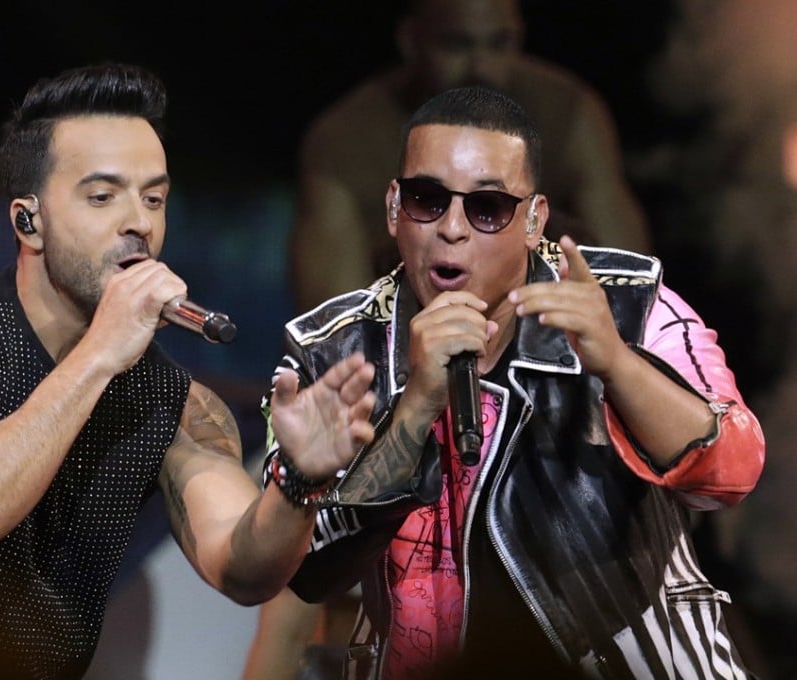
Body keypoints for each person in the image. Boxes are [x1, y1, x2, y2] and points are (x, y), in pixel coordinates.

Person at [0, 62, 378, 680]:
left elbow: (242, 568)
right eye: (102, 196)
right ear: (27, 221)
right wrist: (100, 353)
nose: (139, 223)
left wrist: (298, 482)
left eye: (154, 198)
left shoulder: (170, 400)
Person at [259, 86, 764, 679]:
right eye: (427, 199)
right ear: (393, 207)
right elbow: (310, 568)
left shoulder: (626, 303)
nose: (452, 228)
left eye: (488, 208)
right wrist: (417, 405)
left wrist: (618, 366)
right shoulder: (334, 349)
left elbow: (732, 469)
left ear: (533, 220)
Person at [288, 0, 651, 314]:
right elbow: (333, 317)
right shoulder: (345, 139)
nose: (481, 66)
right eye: (456, 45)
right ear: (412, 41)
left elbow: (629, 287)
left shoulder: (571, 114)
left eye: (499, 42)